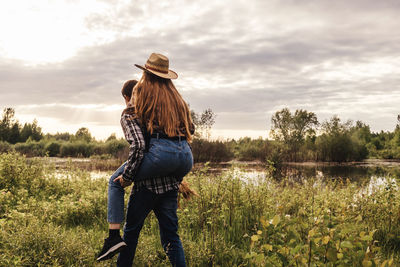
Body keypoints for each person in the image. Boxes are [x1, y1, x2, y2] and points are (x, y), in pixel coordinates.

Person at [99, 53, 194, 267]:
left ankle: (113, 238)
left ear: (146, 74)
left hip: (152, 173)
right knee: (171, 237)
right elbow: (191, 129)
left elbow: (140, 146)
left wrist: (128, 177)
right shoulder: (177, 101)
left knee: (117, 187)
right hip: (184, 160)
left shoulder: (141, 104)